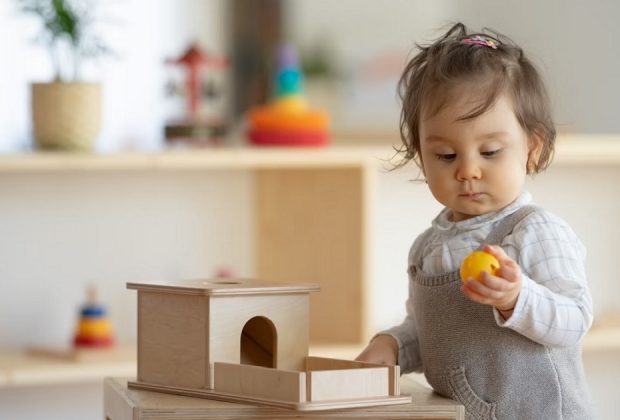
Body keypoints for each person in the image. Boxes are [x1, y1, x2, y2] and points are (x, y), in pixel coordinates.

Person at [356, 23, 595, 419]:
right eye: (446, 156)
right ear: (421, 156)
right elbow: (432, 332)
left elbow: (574, 321)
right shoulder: (427, 248)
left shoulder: (534, 232)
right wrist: (393, 346)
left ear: (532, 149)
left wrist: (517, 298)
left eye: (490, 151)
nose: (467, 170)